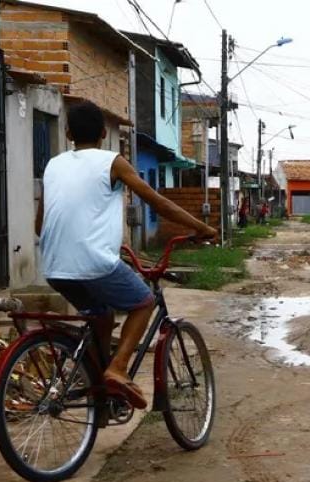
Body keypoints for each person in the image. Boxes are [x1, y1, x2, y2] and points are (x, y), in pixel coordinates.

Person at [36, 100, 216, 410]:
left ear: (67, 133)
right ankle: (118, 369)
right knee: (143, 301)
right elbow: (156, 201)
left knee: (101, 316)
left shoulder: (54, 165)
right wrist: (202, 227)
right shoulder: (113, 161)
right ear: (105, 132)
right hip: (93, 263)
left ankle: (99, 394)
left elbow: (40, 224)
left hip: (53, 267)